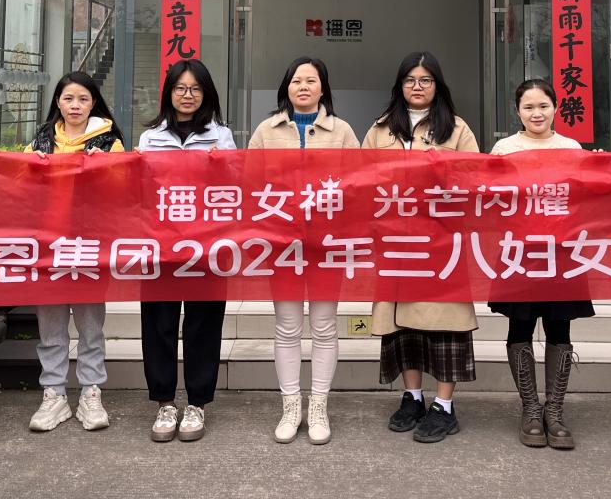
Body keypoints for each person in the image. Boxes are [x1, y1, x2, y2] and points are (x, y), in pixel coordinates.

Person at [362, 51, 480, 444]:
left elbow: (474, 181)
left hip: (441, 245)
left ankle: (444, 406)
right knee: (403, 329)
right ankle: (412, 397)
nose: (417, 86)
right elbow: (361, 179)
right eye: (410, 79)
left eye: (425, 80)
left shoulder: (457, 128)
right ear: (400, 85)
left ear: (437, 85)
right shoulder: (381, 129)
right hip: (396, 243)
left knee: (446, 328)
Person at [248, 56, 361, 446]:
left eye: (311, 81)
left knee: (325, 326)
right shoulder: (266, 131)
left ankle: (318, 406)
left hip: (327, 244)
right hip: (282, 244)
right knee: (287, 325)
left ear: (323, 88)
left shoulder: (342, 131)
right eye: (297, 80)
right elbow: (249, 184)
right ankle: (290, 406)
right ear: (287, 87)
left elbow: (357, 185)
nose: (303, 87)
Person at [137, 59, 236, 443]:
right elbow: (140, 192)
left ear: (206, 93)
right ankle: (164, 402)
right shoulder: (150, 138)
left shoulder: (221, 136)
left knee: (203, 325)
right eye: (180, 88)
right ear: (169, 93)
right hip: (160, 245)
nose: (188, 95)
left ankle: (197, 403)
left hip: (207, 247)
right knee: (158, 324)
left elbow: (234, 189)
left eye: (195, 89)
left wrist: (221, 167)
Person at [490, 78, 592, 449]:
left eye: (543, 106)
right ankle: (531, 408)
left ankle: (555, 410)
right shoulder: (504, 149)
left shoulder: (571, 148)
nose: (537, 113)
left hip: (562, 252)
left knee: (559, 328)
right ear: (517, 111)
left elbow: (582, 199)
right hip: (519, 251)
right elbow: (492, 201)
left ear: (556, 107)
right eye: (529, 107)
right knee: (520, 326)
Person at [25, 71, 125, 434]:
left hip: (89, 244)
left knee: (89, 324)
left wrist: (104, 169)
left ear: (93, 103)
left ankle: (90, 392)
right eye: (68, 99)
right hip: (48, 245)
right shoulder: (40, 141)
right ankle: (53, 393)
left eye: (83, 99)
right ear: (58, 102)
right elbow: (19, 190)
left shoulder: (110, 142)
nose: (75, 106)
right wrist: (31, 168)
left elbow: (124, 191)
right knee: (50, 326)